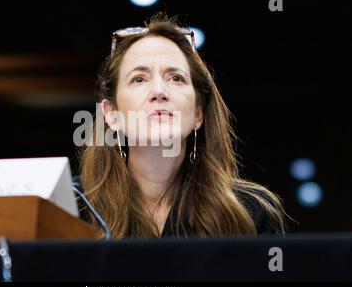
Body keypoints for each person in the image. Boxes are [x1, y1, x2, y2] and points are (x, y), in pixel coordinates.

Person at [73, 13, 286, 239]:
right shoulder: (72, 206)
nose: (159, 91)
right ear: (111, 114)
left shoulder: (249, 213)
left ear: (198, 113)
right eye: (139, 79)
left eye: (176, 78)